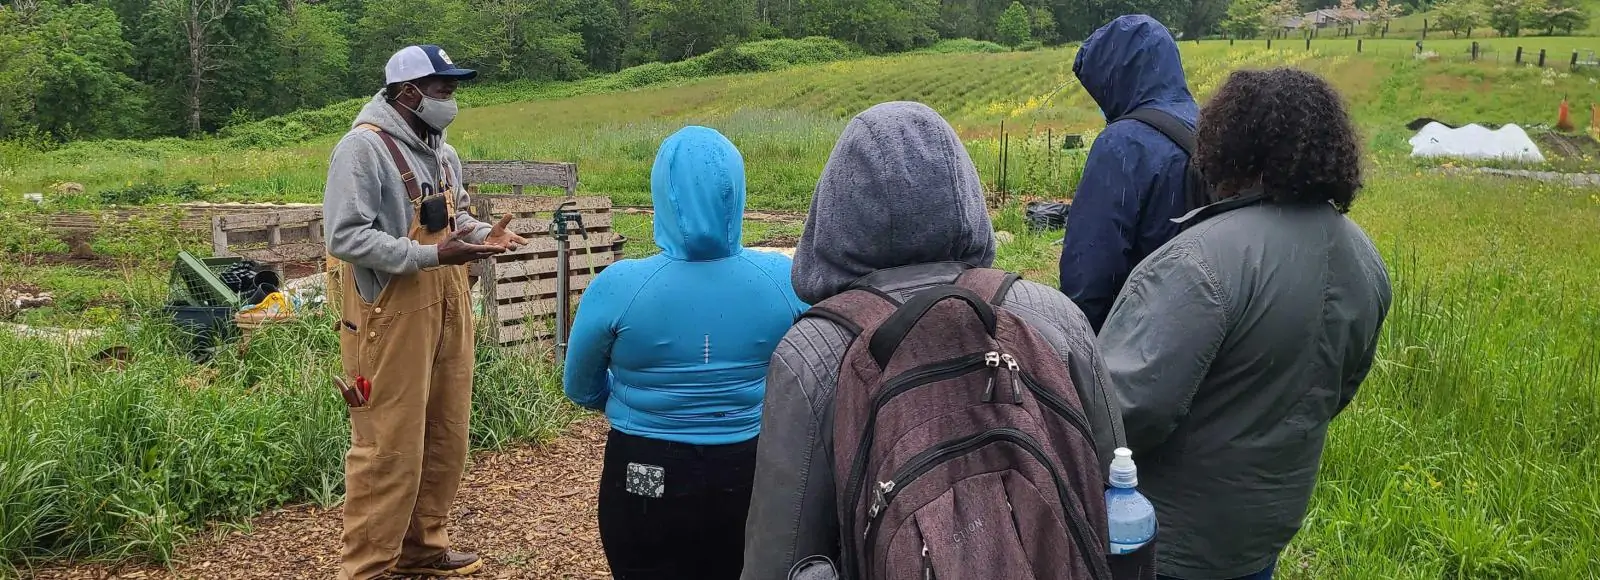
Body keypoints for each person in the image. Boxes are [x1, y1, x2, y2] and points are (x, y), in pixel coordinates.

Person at [740, 101, 1126, 580]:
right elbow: (1118, 494)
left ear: (833, 209)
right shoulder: (1053, 317)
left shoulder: (812, 356)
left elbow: (778, 556)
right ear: (963, 191)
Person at [1097, 68, 1392, 580]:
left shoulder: (1198, 262)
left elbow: (1121, 413)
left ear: (1228, 145)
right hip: (1263, 530)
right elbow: (1336, 389)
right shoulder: (1365, 259)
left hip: (1165, 541)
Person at [563, 126, 807, 580]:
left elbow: (579, 388)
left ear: (661, 194)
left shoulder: (619, 286)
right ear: (736, 192)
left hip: (643, 468)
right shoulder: (784, 279)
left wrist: (636, 398)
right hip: (750, 465)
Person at [323, 44, 527, 580]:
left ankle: (422, 547)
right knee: (389, 442)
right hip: (389, 317)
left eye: (453, 88)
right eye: (442, 89)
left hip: (449, 304)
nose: (450, 98)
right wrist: (431, 255)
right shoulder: (360, 150)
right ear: (407, 92)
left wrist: (487, 237)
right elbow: (344, 236)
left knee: (446, 431)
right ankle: (366, 566)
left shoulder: (442, 153)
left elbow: (454, 221)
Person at [1059, 15, 1201, 332]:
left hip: (1141, 334)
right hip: (1206, 325)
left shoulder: (1123, 143)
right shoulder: (1213, 125)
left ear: (1114, 76)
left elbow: (1091, 269)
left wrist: (1079, 348)